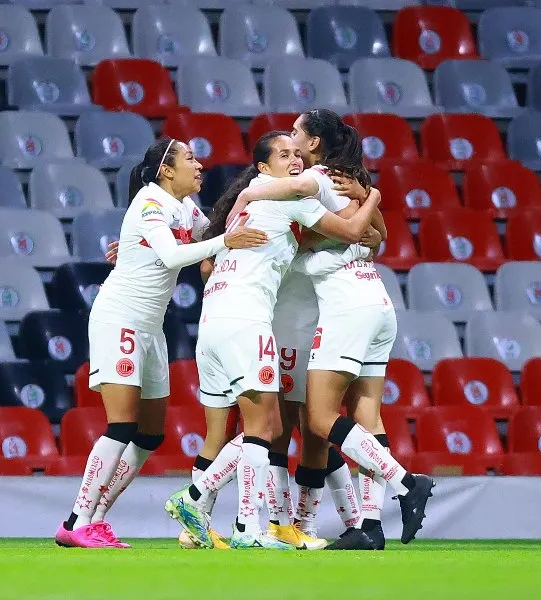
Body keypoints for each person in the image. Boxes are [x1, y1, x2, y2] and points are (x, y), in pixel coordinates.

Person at [165, 131, 382, 549]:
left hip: (212, 322)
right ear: (264, 168)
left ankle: (247, 526)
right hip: (247, 320)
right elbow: (356, 231)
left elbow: (209, 260)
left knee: (265, 425)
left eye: (297, 154)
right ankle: (195, 499)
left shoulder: (244, 207)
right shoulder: (289, 201)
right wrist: (371, 194)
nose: (296, 160)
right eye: (284, 155)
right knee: (265, 426)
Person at [232, 109, 436, 546]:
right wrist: (371, 197)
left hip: (342, 309)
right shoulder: (348, 183)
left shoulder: (319, 177)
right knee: (366, 416)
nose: (290, 141)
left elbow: (337, 221)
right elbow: (376, 236)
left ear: (314, 144)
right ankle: (370, 526)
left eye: (295, 134)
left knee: (320, 420)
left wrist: (251, 192)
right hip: (377, 302)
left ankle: (405, 483)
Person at [54, 137, 267, 549]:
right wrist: (226, 242)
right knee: (121, 425)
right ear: (166, 170)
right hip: (121, 320)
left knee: (150, 434)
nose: (200, 164)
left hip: (151, 329)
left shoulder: (183, 206)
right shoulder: (151, 202)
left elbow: (213, 232)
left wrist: (252, 198)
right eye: (190, 158)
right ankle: (76, 520)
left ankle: (97, 517)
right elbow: (174, 256)